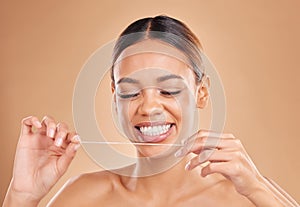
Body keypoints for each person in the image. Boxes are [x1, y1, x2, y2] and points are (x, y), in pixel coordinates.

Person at [3, 15, 299, 207]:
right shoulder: (82, 196)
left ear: (202, 93)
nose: (148, 107)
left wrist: (259, 189)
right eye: (130, 92)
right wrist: (22, 196)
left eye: (169, 89)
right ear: (114, 97)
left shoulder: (244, 197)